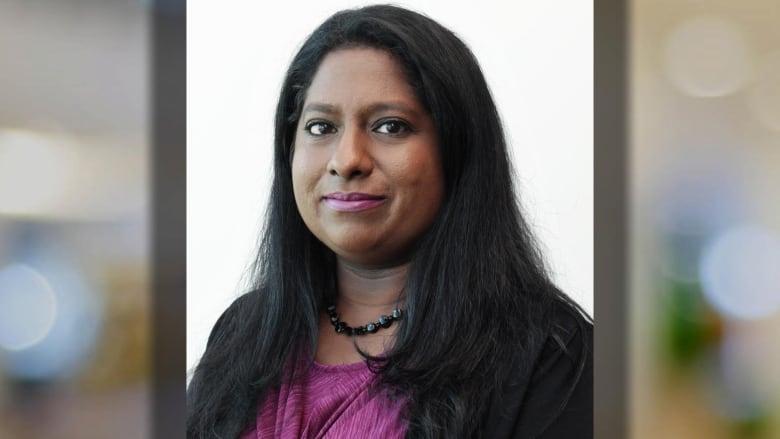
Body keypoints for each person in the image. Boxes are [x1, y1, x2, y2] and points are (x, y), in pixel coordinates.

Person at [187, 5, 592, 438]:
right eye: (321, 127)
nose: (347, 160)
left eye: (390, 126)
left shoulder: (550, 357)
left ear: (457, 150)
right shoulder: (243, 333)